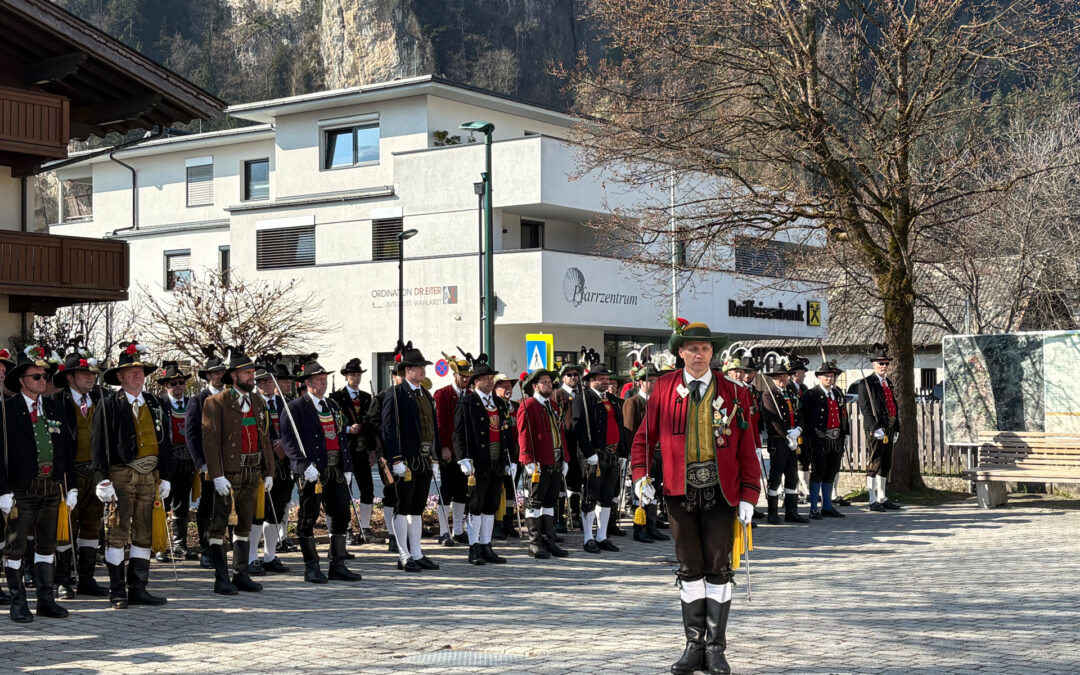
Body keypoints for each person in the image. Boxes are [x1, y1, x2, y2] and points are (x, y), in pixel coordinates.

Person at [630, 321, 760, 675]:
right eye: (692, 349)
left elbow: (748, 449)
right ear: (680, 353)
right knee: (690, 568)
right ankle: (694, 645)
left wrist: (750, 494)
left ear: (712, 354)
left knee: (718, 567)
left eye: (705, 349)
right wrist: (640, 476)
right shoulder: (663, 389)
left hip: (721, 492)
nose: (699, 355)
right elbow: (643, 439)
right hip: (678, 491)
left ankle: (716, 649)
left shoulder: (735, 392)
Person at [91, 341, 171, 609]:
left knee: (144, 533)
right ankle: (117, 591)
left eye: (140, 371)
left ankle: (138, 587)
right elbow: (98, 445)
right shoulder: (110, 404)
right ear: (120, 377)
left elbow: (165, 442)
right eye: (131, 371)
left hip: (150, 476)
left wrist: (166, 476)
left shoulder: (155, 402)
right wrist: (102, 479)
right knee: (117, 532)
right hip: (121, 475)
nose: (138, 375)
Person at [1, 347, 75, 622]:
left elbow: (66, 449)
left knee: (47, 545)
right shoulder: (7, 410)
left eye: (44, 377)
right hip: (20, 488)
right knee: (16, 546)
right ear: (21, 380)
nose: (42, 381)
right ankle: (18, 601)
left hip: (50, 487)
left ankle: (46, 598)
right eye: (35, 377)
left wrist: (72, 485)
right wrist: (2, 491)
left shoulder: (55, 408)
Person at [279, 357, 363, 583]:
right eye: (318, 379)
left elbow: (340, 436)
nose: (323, 383)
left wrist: (347, 465)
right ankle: (311, 566)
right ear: (307, 382)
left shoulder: (332, 406)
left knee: (342, 515)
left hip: (335, 469)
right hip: (312, 471)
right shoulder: (295, 408)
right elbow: (288, 441)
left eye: (325, 379)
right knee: (309, 517)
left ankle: (337, 563)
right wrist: (302, 466)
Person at [200, 349, 276, 595]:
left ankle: (240, 574)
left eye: (253, 371)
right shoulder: (216, 402)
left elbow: (264, 437)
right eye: (247, 372)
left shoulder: (257, 401)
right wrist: (217, 474)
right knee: (219, 525)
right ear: (233, 376)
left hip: (252, 471)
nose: (252, 376)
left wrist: (269, 470)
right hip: (228, 474)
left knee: (244, 524)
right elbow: (210, 441)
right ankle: (221, 578)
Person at [50, 348, 108, 598]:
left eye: (92, 373)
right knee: (66, 527)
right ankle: (63, 579)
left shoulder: (99, 401)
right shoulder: (57, 403)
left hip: (94, 473)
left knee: (92, 526)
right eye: (84, 374)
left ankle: (86, 578)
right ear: (70, 377)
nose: (91, 377)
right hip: (69, 474)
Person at [381, 343, 440, 572]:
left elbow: (432, 427)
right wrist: (395, 459)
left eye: (423, 367)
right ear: (407, 371)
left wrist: (434, 457)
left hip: (423, 459)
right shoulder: (395, 394)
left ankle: (417, 552)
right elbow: (389, 429)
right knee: (402, 508)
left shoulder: (425, 394)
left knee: (417, 509)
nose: (422, 371)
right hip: (405, 460)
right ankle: (403, 555)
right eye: (417, 368)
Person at [453, 354, 513, 565]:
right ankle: (473, 547)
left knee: (492, 504)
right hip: (478, 460)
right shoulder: (467, 402)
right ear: (475, 382)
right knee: (476, 505)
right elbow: (459, 433)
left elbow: (506, 432)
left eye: (491, 378)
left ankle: (487, 545)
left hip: (496, 460)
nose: (489, 382)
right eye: (485, 379)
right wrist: (463, 458)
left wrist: (510, 460)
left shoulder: (498, 402)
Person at [572, 362, 627, 553]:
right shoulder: (583, 399)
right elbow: (578, 428)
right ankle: (588, 537)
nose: (606, 381)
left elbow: (620, 426)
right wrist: (589, 453)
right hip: (594, 455)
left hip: (612, 454)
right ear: (591, 380)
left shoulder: (612, 400)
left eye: (607, 378)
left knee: (607, 497)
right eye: (602, 378)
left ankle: (602, 535)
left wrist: (622, 452)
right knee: (590, 495)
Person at [517, 369, 570, 560]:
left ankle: (549, 540)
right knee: (535, 502)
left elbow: (560, 433)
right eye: (545, 382)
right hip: (538, 462)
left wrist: (565, 457)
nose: (549, 385)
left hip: (554, 460)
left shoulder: (553, 406)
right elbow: (523, 434)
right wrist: (527, 459)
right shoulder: (528, 406)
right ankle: (534, 543)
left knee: (550, 502)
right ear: (534, 386)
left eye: (550, 382)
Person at [328, 358, 380, 545]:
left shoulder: (367, 397)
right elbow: (333, 423)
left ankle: (364, 527)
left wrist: (373, 450)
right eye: (352, 375)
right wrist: (348, 429)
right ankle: (347, 528)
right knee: (345, 491)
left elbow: (372, 426)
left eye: (358, 375)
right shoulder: (336, 398)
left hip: (363, 451)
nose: (355, 378)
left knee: (368, 489)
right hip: (345, 451)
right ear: (346, 377)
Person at [185, 345, 227, 569]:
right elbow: (191, 435)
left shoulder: (231, 398)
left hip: (229, 460)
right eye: (215, 373)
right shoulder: (197, 401)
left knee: (228, 506)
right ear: (208, 376)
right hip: (208, 463)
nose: (219, 376)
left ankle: (222, 546)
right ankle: (206, 548)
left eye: (222, 372)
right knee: (207, 505)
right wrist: (200, 463)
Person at [249, 360, 292, 574]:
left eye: (269, 380)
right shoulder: (251, 402)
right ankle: (250, 558)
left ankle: (270, 555)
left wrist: (285, 443)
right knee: (257, 511)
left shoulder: (286, 402)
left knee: (277, 509)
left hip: (283, 464)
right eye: (262, 381)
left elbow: (294, 429)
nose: (266, 384)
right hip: (260, 465)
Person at [155, 361, 197, 563]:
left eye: (181, 383)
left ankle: (180, 544)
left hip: (187, 461)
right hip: (168, 461)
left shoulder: (192, 403)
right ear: (166, 386)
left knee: (182, 504)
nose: (178, 386)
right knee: (162, 504)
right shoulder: (159, 405)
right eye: (173, 383)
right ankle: (161, 545)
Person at [622, 362, 668, 544]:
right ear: (640, 383)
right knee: (640, 492)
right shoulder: (632, 402)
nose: (654, 385)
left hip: (658, 452)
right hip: (643, 454)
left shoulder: (659, 403)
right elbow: (629, 431)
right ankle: (639, 528)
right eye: (650, 381)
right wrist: (633, 457)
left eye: (656, 381)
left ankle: (652, 525)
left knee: (654, 490)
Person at [760, 354, 808, 525]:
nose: (782, 379)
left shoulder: (792, 393)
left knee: (792, 474)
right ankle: (772, 511)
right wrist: (786, 435)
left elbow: (800, 413)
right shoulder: (768, 395)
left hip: (793, 438)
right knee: (776, 475)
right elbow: (772, 420)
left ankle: (791, 510)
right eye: (779, 377)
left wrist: (798, 430)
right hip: (779, 440)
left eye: (784, 376)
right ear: (773, 379)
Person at [856, 344, 903, 512]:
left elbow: (893, 405)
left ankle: (882, 497)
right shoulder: (866, 383)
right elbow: (865, 408)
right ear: (873, 364)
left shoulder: (888, 383)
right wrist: (875, 427)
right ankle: (872, 498)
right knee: (874, 462)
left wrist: (896, 427)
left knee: (886, 462)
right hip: (876, 428)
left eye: (886, 363)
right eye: (880, 363)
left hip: (889, 427)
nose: (884, 366)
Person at [432, 354, 471, 546]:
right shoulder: (442, 394)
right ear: (454, 375)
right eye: (462, 376)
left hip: (465, 452)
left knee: (461, 492)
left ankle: (458, 529)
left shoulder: (470, 395)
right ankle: (443, 532)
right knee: (446, 491)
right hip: (449, 451)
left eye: (467, 376)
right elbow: (439, 423)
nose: (465, 379)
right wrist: (445, 446)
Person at [803, 361, 849, 519]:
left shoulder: (837, 393)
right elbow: (805, 418)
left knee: (831, 471)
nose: (830, 379)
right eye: (826, 376)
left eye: (832, 376)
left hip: (836, 438)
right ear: (819, 377)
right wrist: (810, 436)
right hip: (819, 439)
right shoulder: (811, 394)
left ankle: (827, 506)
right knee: (818, 471)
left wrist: (846, 433)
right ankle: (814, 507)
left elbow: (844, 414)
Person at [551, 363, 583, 532]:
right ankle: (560, 517)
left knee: (576, 481)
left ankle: (575, 515)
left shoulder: (582, 394)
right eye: (569, 375)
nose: (573, 377)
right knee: (562, 480)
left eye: (575, 375)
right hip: (565, 442)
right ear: (563, 378)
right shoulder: (558, 395)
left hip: (580, 444)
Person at [493, 373, 522, 540]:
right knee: (499, 489)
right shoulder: (495, 406)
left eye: (510, 386)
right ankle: (497, 522)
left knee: (511, 488)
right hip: (500, 453)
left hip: (515, 452)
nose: (508, 389)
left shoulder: (516, 407)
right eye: (504, 386)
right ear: (496, 388)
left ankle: (508, 521)